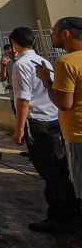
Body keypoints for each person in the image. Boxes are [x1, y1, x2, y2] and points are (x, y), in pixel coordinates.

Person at [7, 26, 78, 232]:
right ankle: (66, 213)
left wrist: (19, 128)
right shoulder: (43, 61)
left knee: (50, 172)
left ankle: (60, 218)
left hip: (38, 122)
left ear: (14, 42)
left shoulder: (20, 65)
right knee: (60, 170)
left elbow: (24, 98)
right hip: (54, 119)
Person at [36, 16, 82, 228]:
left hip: (77, 134)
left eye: (53, 32)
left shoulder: (66, 62)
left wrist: (47, 80)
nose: (51, 36)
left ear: (66, 33)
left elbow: (64, 103)